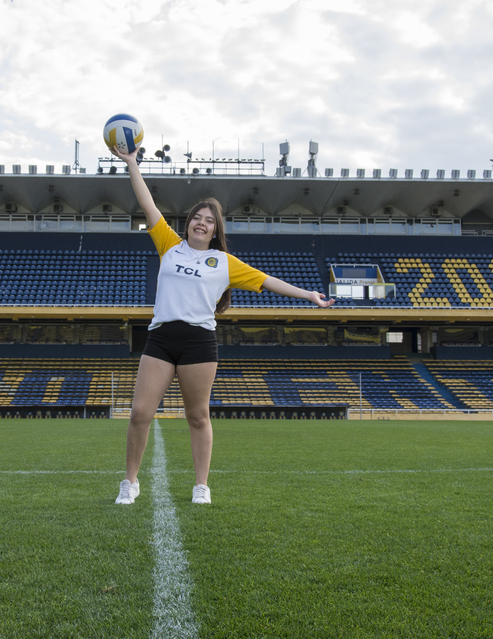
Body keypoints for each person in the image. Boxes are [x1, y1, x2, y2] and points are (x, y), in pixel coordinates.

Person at [112, 146, 334, 506]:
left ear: (216, 230)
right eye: (197, 217)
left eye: (209, 220)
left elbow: (267, 281)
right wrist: (132, 163)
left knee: (197, 416)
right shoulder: (169, 245)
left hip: (200, 342)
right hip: (161, 337)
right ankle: (130, 482)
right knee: (140, 413)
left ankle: (201, 486)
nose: (202, 223)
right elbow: (148, 204)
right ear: (188, 223)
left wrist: (309, 295)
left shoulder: (224, 262)